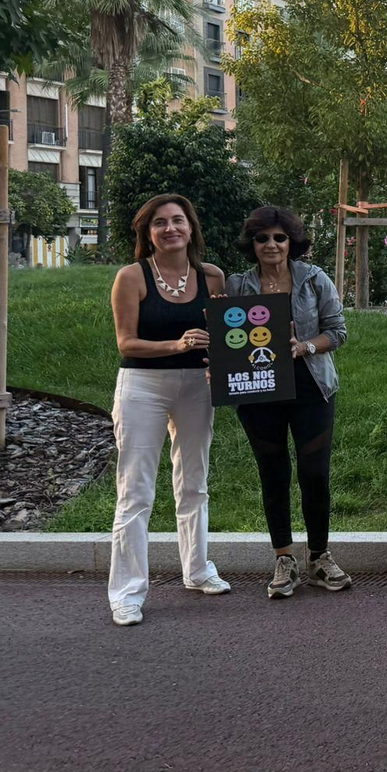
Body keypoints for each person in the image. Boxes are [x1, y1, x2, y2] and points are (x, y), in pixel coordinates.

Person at [107, 194, 229, 625]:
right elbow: (126, 343)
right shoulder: (132, 277)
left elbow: (229, 334)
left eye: (178, 220)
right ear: (148, 233)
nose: (170, 228)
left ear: (191, 228)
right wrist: (175, 345)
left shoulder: (213, 277)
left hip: (197, 386)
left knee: (194, 481)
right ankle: (127, 593)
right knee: (135, 491)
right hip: (143, 385)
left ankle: (197, 570)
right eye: (160, 223)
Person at [225, 205, 350, 599]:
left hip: (312, 389)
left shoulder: (314, 279)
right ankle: (284, 558)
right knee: (273, 473)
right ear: (252, 243)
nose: (271, 245)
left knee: (315, 474)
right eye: (262, 238)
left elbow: (339, 331)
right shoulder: (237, 285)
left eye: (279, 237)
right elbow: (226, 335)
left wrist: (306, 346)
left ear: (292, 241)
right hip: (258, 393)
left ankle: (319, 557)